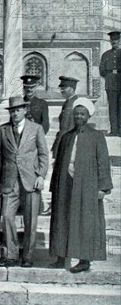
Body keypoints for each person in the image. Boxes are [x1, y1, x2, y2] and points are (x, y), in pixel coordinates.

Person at [49, 97, 113, 273]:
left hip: (87, 186)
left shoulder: (96, 136)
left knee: (85, 221)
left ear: (88, 116)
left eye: (81, 114)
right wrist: (54, 186)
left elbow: (103, 162)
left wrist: (103, 187)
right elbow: (59, 162)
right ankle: (61, 256)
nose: (78, 116)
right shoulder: (66, 137)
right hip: (65, 184)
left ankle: (84, 260)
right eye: (76, 113)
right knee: (62, 219)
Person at [0, 96, 49, 268]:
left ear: (25, 110)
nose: (15, 113)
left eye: (18, 110)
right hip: (9, 182)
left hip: (31, 181)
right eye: (12, 110)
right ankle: (11, 254)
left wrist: (41, 175)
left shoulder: (36, 129)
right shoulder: (2, 130)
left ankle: (28, 256)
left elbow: (43, 154)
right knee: (8, 217)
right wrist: (0, 181)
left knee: (30, 220)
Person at [99, 30, 121, 136]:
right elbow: (102, 70)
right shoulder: (106, 54)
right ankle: (114, 130)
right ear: (110, 41)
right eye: (112, 40)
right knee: (112, 107)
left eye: (116, 39)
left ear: (119, 40)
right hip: (111, 82)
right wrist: (110, 76)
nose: (114, 42)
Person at [52, 76, 79, 158]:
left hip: (70, 142)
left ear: (71, 89)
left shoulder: (76, 103)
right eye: (61, 88)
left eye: (64, 88)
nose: (61, 90)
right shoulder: (67, 103)